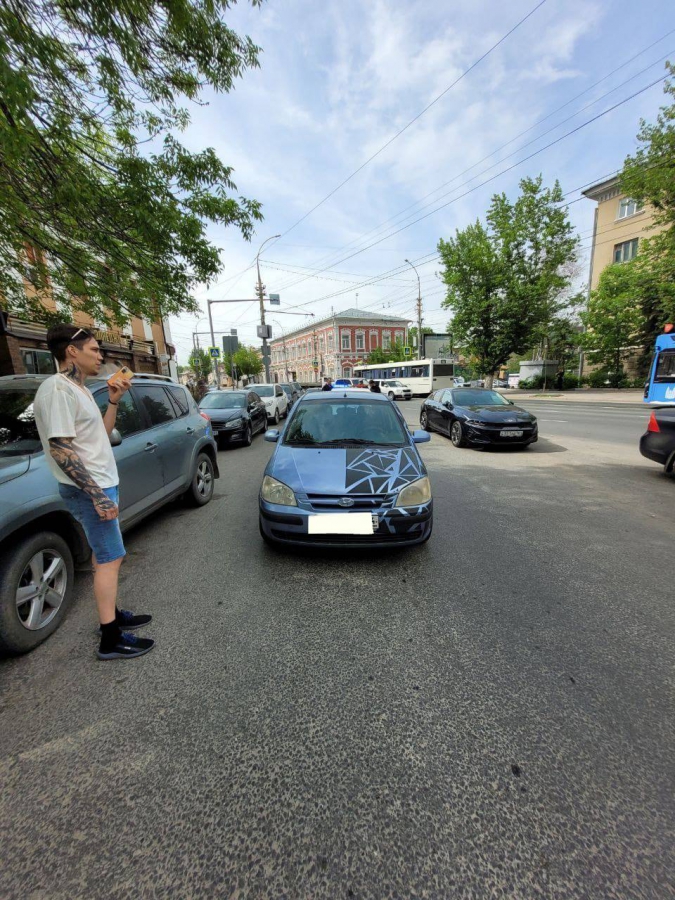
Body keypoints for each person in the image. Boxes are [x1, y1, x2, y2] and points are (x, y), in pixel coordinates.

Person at [34, 324, 154, 661]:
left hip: (101, 483)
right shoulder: (58, 390)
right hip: (90, 489)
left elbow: (99, 434)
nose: (100, 355)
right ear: (71, 351)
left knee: (103, 557)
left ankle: (112, 616)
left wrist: (113, 401)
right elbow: (60, 448)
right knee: (111, 557)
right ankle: (110, 639)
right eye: (93, 349)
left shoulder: (81, 389)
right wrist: (97, 495)